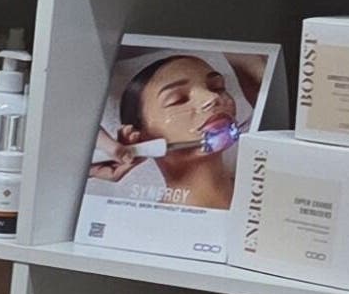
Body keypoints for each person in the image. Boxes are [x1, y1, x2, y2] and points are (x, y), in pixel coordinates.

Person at [88, 51, 249, 209]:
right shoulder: (152, 230)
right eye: (178, 99)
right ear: (141, 139)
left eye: (217, 87)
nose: (212, 98)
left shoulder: (264, 188)